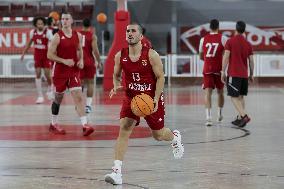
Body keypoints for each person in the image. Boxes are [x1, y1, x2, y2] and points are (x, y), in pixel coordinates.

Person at [104, 23, 184, 185]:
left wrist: (155, 99)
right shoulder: (121, 55)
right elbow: (116, 74)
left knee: (158, 135)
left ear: (141, 36)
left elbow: (161, 77)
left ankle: (175, 137)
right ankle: (116, 172)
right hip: (132, 97)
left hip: (150, 98)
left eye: (133, 31)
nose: (129, 33)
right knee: (124, 128)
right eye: (127, 31)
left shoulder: (151, 55)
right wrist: (115, 84)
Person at [47, 12, 94, 136]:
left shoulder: (77, 35)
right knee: (58, 99)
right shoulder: (57, 36)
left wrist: (81, 60)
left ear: (72, 20)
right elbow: (49, 55)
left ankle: (85, 125)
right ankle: (53, 123)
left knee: (78, 97)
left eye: (67, 18)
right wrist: (64, 61)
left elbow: (79, 50)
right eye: (63, 19)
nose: (64, 21)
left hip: (73, 72)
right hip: (59, 73)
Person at [221, 21, 254, 128]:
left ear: (236, 29)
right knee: (240, 97)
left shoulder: (230, 41)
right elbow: (251, 61)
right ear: (244, 30)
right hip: (244, 74)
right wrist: (251, 74)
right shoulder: (248, 44)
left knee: (233, 96)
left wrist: (222, 71)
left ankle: (244, 116)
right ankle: (240, 119)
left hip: (234, 74)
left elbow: (226, 57)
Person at [199, 19, 228, 126]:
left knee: (207, 93)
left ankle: (208, 118)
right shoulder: (223, 38)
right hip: (219, 69)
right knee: (220, 92)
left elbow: (201, 55)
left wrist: (208, 60)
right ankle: (219, 115)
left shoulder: (203, 39)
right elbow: (226, 54)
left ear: (209, 27)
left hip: (207, 68)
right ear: (218, 27)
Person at [21, 17, 53, 104]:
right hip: (37, 57)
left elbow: (52, 45)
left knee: (47, 75)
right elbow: (29, 43)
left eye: (41, 24)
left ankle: (50, 88)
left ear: (44, 24)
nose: (40, 25)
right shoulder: (33, 32)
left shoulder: (48, 32)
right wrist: (23, 53)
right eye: (38, 24)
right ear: (36, 24)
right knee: (38, 74)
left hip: (46, 57)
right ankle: (40, 96)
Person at [79, 18, 101, 113]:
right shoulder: (92, 36)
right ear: (90, 25)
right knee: (91, 83)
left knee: (79, 84)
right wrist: (99, 61)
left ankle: (78, 104)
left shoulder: (77, 34)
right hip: (89, 61)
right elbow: (95, 50)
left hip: (79, 62)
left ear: (82, 25)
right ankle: (88, 106)